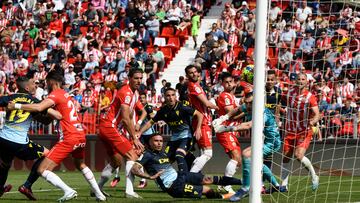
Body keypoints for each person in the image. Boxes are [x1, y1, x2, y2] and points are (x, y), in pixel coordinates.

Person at [7, 72, 106, 202]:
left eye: (47, 83)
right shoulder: (66, 95)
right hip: (80, 135)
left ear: (51, 82)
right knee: (80, 164)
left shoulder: (55, 94)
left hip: (69, 137)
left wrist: (16, 105)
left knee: (42, 169)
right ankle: (99, 195)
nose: (46, 85)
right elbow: (50, 117)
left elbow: (39, 107)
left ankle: (68, 191)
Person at [213, 92, 285, 201]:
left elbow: (248, 125)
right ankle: (276, 185)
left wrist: (227, 128)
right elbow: (237, 109)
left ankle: (246, 187)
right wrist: (222, 118)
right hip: (264, 139)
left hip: (272, 142)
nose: (248, 106)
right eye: (246, 103)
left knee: (246, 154)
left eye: (251, 103)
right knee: (257, 163)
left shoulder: (262, 113)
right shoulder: (249, 106)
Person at [0, 76, 62, 200]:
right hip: (18, 142)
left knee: (5, 164)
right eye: (34, 83)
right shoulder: (34, 101)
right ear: (27, 87)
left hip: (3, 139)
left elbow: (39, 119)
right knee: (47, 155)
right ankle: (27, 186)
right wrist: (52, 111)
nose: (36, 86)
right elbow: (45, 121)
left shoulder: (10, 98)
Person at [131, 133, 242, 199]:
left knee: (209, 178)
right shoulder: (147, 155)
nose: (159, 143)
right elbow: (134, 169)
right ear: (150, 142)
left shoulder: (163, 153)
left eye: (160, 141)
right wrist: (150, 177)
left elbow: (171, 161)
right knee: (207, 190)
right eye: (156, 141)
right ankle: (227, 196)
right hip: (173, 187)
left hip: (181, 175)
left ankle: (244, 182)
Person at [96, 68, 144, 198]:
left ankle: (97, 189)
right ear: (129, 78)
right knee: (132, 155)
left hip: (106, 127)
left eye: (141, 78)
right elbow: (125, 117)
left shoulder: (135, 93)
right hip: (110, 127)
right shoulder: (126, 93)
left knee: (116, 162)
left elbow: (133, 114)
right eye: (136, 78)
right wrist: (135, 137)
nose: (139, 81)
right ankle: (129, 191)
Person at [139, 88, 203, 172]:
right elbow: (150, 123)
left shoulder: (182, 107)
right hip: (173, 139)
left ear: (176, 96)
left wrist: (198, 128)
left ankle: (182, 179)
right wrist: (139, 132)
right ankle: (191, 169)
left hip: (186, 137)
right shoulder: (163, 110)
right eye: (168, 96)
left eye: (173, 95)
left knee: (179, 155)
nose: (171, 98)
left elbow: (199, 114)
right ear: (164, 97)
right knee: (165, 160)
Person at [279, 73, 320, 191]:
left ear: (307, 82)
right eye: (299, 79)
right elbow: (280, 103)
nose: (301, 81)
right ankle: (283, 185)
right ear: (295, 81)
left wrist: (313, 121)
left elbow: (317, 114)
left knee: (298, 155)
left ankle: (314, 176)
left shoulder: (310, 97)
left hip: (304, 131)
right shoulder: (289, 93)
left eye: (303, 79)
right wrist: (279, 113)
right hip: (290, 130)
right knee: (286, 158)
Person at [185, 65, 218, 173]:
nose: (194, 74)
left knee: (203, 153)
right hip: (202, 122)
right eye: (191, 73)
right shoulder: (194, 86)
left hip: (204, 121)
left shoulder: (196, 86)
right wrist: (220, 108)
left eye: (195, 72)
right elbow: (207, 104)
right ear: (187, 75)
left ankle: (193, 175)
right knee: (208, 153)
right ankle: (191, 176)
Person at [215, 72, 242, 194]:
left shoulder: (232, 97)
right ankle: (227, 186)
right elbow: (232, 114)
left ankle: (223, 184)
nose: (229, 84)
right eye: (226, 82)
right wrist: (248, 110)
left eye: (231, 81)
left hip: (231, 131)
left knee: (238, 161)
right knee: (236, 157)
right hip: (225, 130)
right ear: (222, 84)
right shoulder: (225, 96)